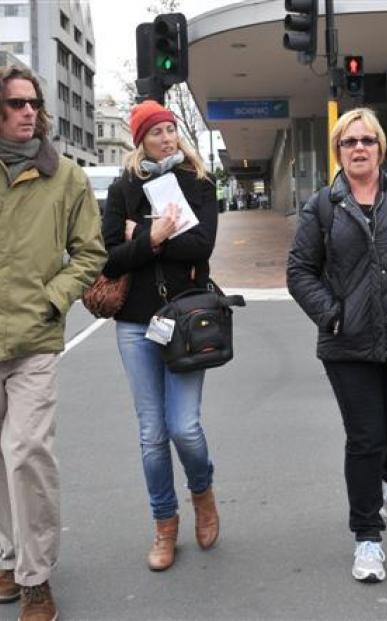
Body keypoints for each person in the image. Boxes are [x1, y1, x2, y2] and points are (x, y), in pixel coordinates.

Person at [287, 108, 387, 584]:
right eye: (350, 141)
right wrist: (332, 314)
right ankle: (367, 538)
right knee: (365, 440)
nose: (359, 148)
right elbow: (299, 272)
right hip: (347, 344)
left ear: (381, 148)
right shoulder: (323, 206)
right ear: (338, 151)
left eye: (367, 141)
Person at [0, 65, 106, 621]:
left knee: (26, 453)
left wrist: (53, 297)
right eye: (15, 103)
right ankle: (9, 554)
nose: (27, 112)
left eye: (32, 103)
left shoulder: (64, 176)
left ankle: (36, 577)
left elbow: (90, 253)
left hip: (35, 338)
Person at [100, 100, 221, 572]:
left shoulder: (198, 184)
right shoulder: (121, 189)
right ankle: (164, 525)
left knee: (184, 426)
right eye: (157, 133)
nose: (168, 138)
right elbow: (110, 258)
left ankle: (203, 492)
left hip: (187, 318)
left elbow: (202, 245)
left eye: (171, 130)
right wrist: (156, 237)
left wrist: (145, 234)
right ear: (140, 142)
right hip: (134, 324)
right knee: (152, 434)